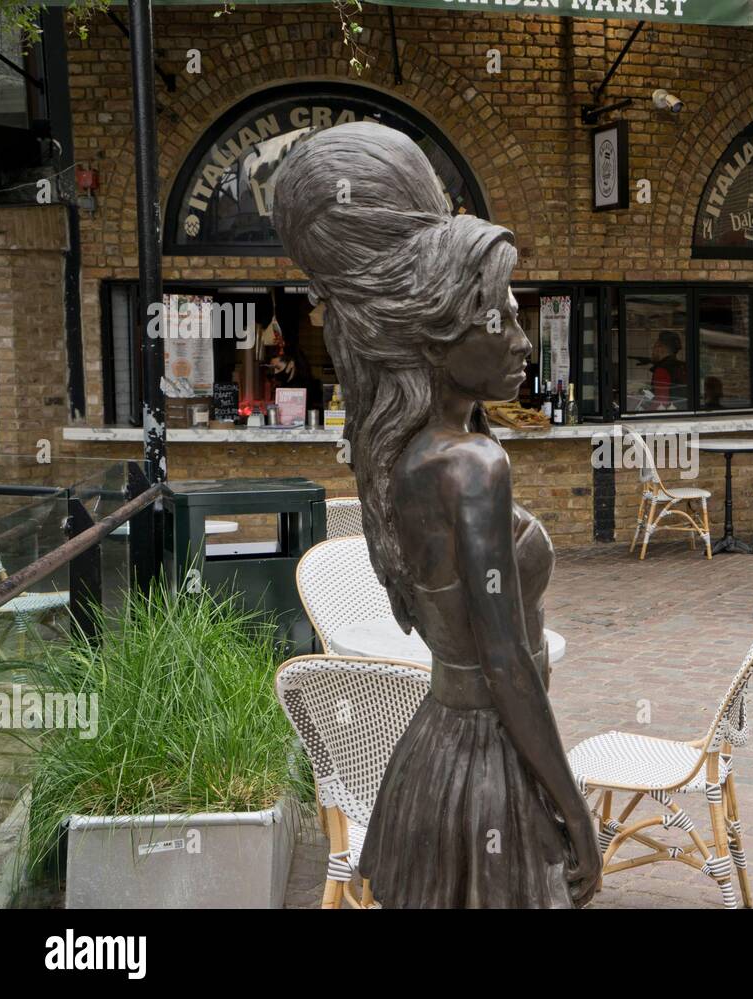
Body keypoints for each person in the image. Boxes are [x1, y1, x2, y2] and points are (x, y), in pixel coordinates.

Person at [273, 122, 599, 909]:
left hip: (435, 753)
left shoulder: (413, 458)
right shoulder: (472, 465)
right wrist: (580, 816)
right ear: (439, 331)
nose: (521, 340)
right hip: (491, 764)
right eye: (503, 321)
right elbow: (509, 666)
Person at [267, 346, 323, 411]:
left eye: (278, 368)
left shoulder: (299, 387)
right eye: (273, 369)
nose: (275, 372)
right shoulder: (287, 383)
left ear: (291, 364)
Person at [647, 331, 686, 410]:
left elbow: (660, 403)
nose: (652, 351)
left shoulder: (662, 370)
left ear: (661, 348)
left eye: (654, 347)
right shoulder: (683, 367)